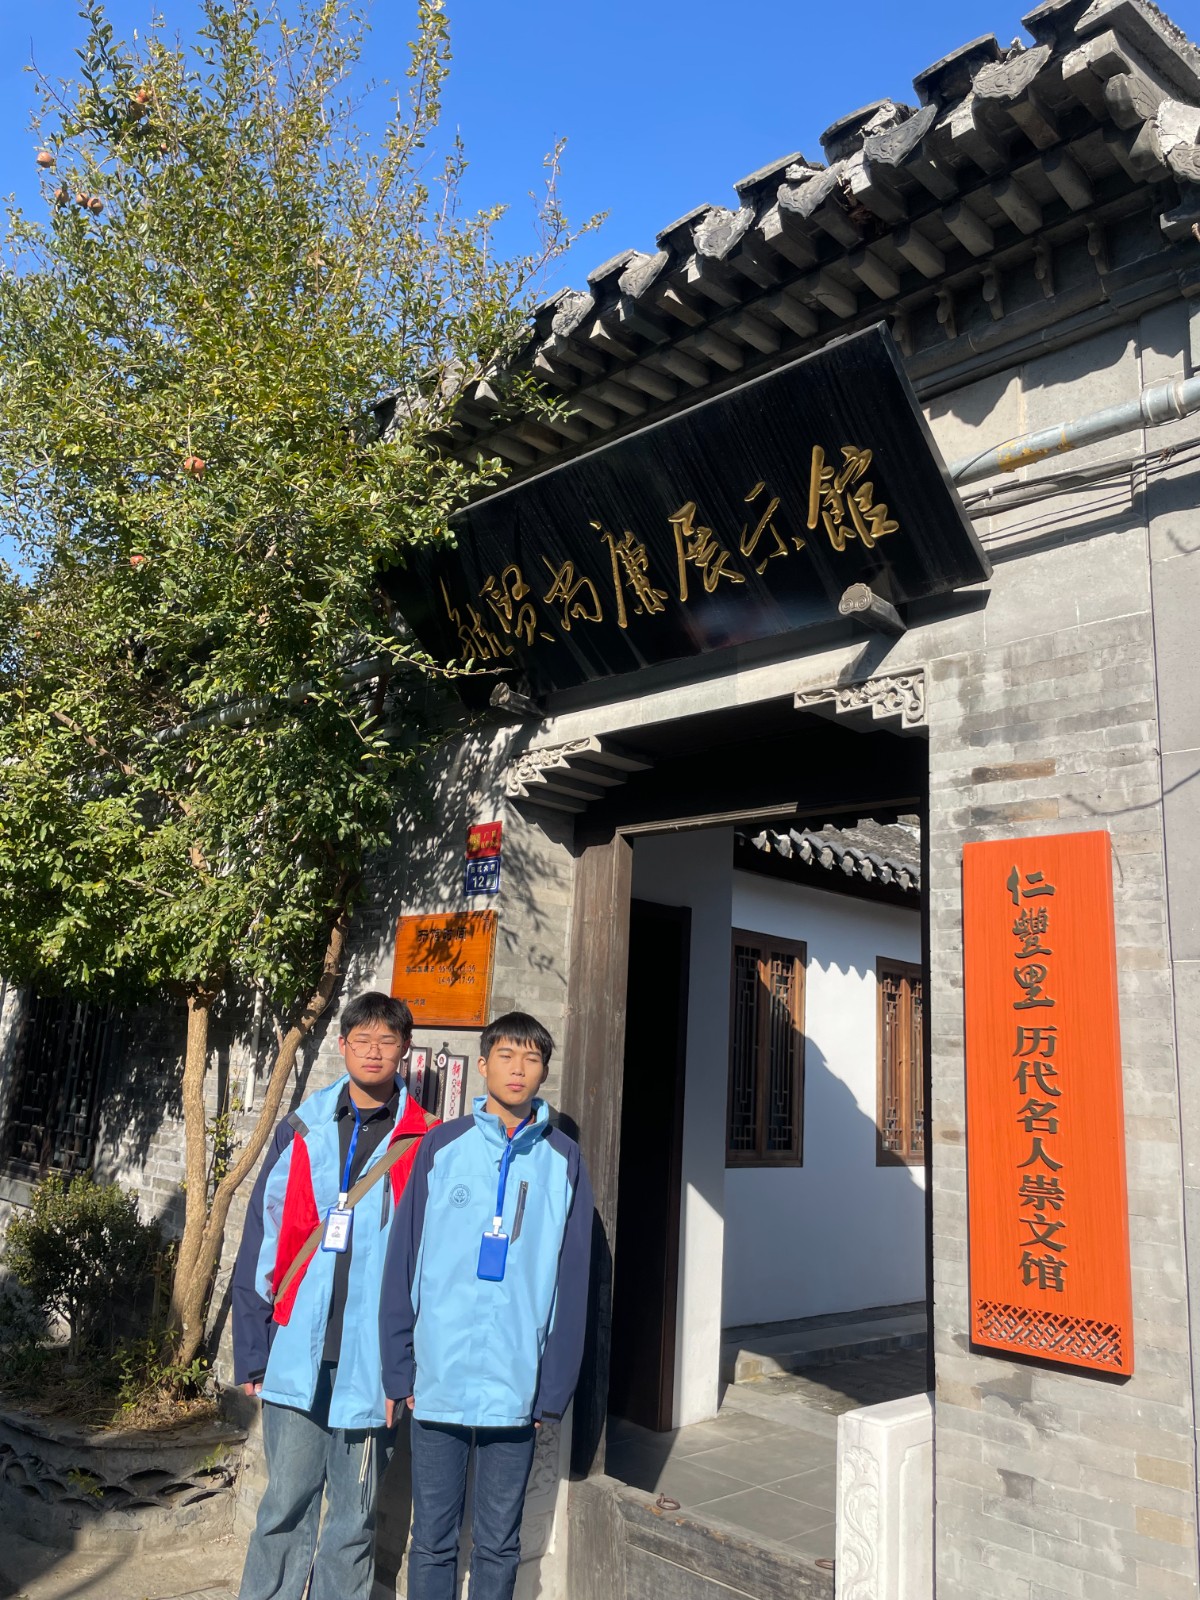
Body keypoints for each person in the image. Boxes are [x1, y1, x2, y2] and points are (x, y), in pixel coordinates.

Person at [379, 1010, 593, 1600]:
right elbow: (404, 1260)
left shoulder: (564, 1160)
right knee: (432, 1539)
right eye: (506, 1055)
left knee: (499, 1543)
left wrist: (553, 1388)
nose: (518, 1068)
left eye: (531, 1058)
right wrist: (399, 1367)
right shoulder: (442, 1146)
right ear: (482, 1065)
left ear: (544, 1072)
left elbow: (573, 1279)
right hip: (438, 1374)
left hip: (516, 1380)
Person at [231, 990, 436, 1600]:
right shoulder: (304, 1128)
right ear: (343, 1046)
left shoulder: (426, 1141)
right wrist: (253, 1347)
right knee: (283, 1505)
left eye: (387, 1040)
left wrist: (409, 1364)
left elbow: (431, 1262)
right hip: (297, 1345)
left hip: (373, 1361)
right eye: (362, 1039)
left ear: (404, 1050)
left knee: (353, 1518)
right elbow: (263, 1235)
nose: (374, 1051)